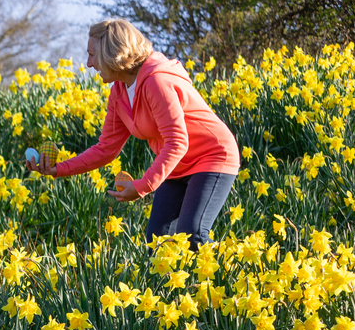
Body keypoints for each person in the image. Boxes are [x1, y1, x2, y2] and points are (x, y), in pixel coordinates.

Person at [31, 19, 240, 247]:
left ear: (112, 54)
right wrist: (58, 169)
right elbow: (105, 149)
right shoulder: (119, 92)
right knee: (157, 242)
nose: (89, 64)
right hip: (176, 167)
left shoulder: (157, 82)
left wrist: (142, 186)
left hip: (212, 157)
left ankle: (231, 278)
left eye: (92, 55)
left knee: (193, 234)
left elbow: (177, 142)